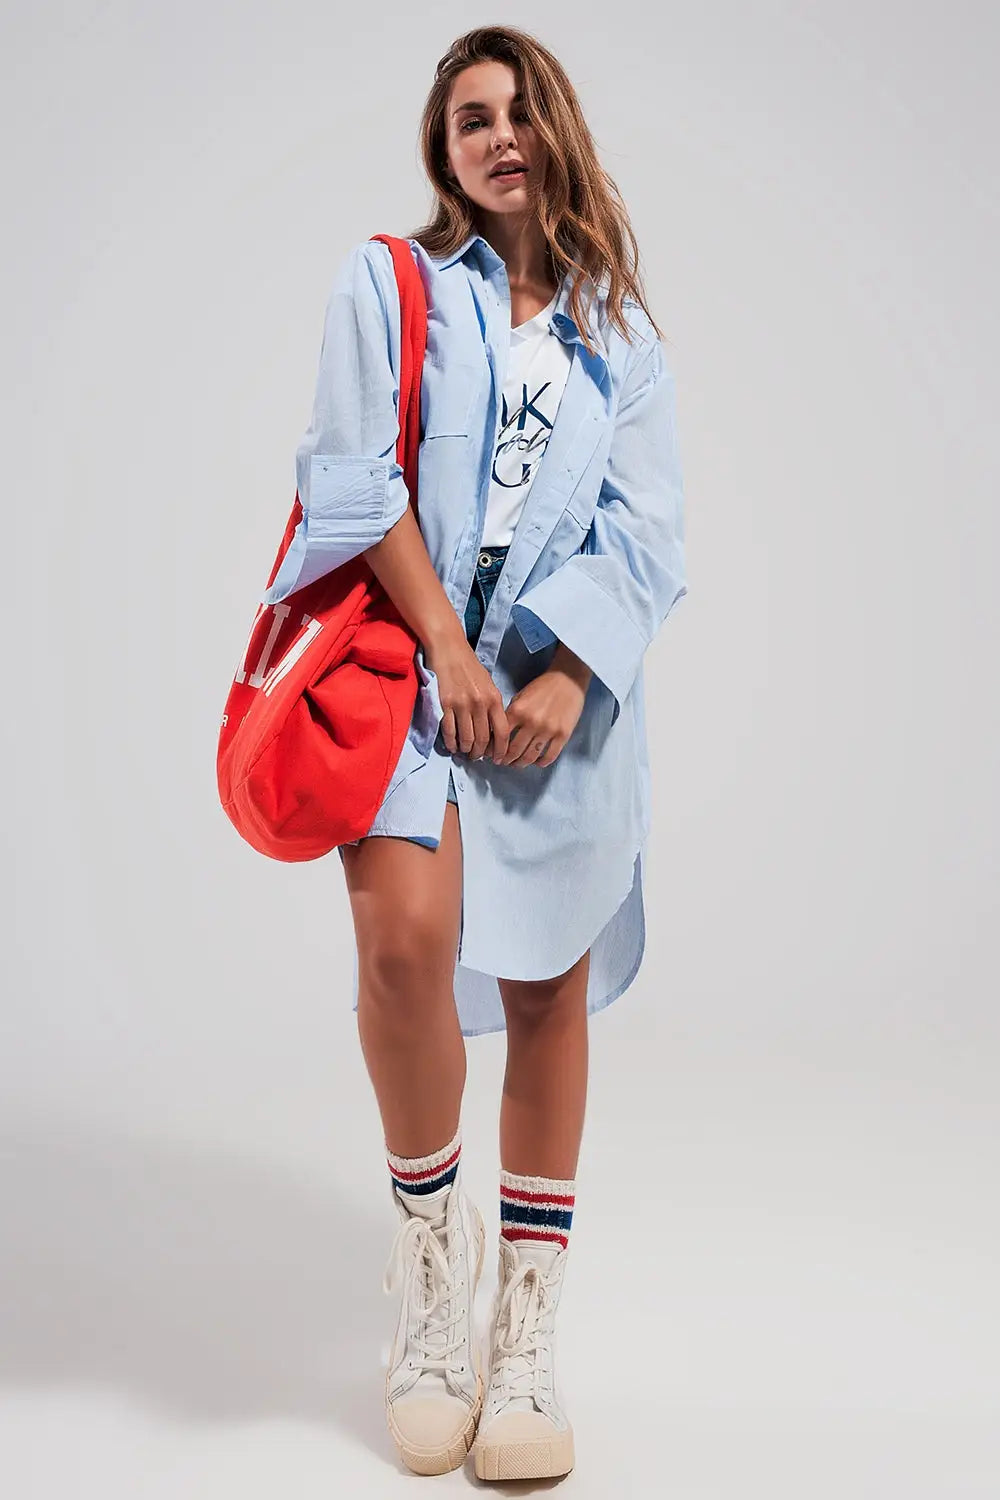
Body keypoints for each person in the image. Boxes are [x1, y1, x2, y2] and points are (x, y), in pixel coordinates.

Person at [262, 24, 687, 1481]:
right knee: (402, 952)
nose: (500, 136)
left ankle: (526, 1345)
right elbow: (350, 476)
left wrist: (568, 672)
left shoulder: (623, 338)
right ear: (444, 154)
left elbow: (649, 533)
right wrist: (445, 644)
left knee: (545, 983)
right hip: (412, 679)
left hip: (559, 706)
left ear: (555, 128)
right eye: (470, 120)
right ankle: (435, 1293)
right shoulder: (388, 287)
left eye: (518, 111)